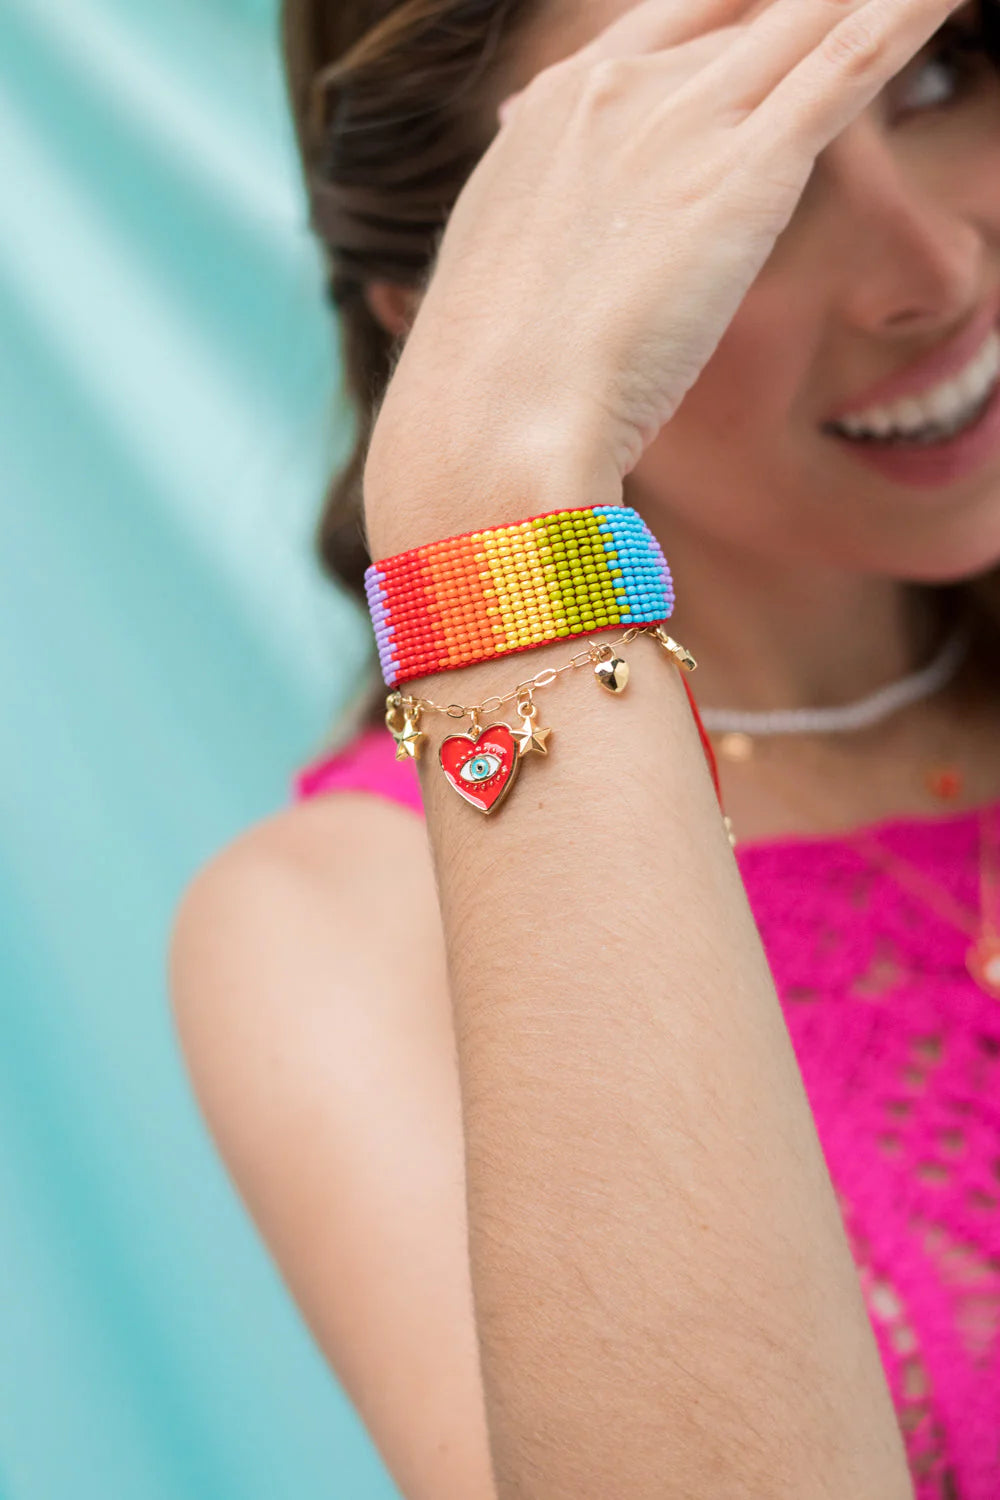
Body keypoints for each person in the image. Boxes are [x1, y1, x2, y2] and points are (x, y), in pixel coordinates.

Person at [168, 0, 1000, 1496]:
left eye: (932, 74)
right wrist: (495, 500)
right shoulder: (342, 929)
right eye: (743, 164)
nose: (935, 273)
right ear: (448, 303)